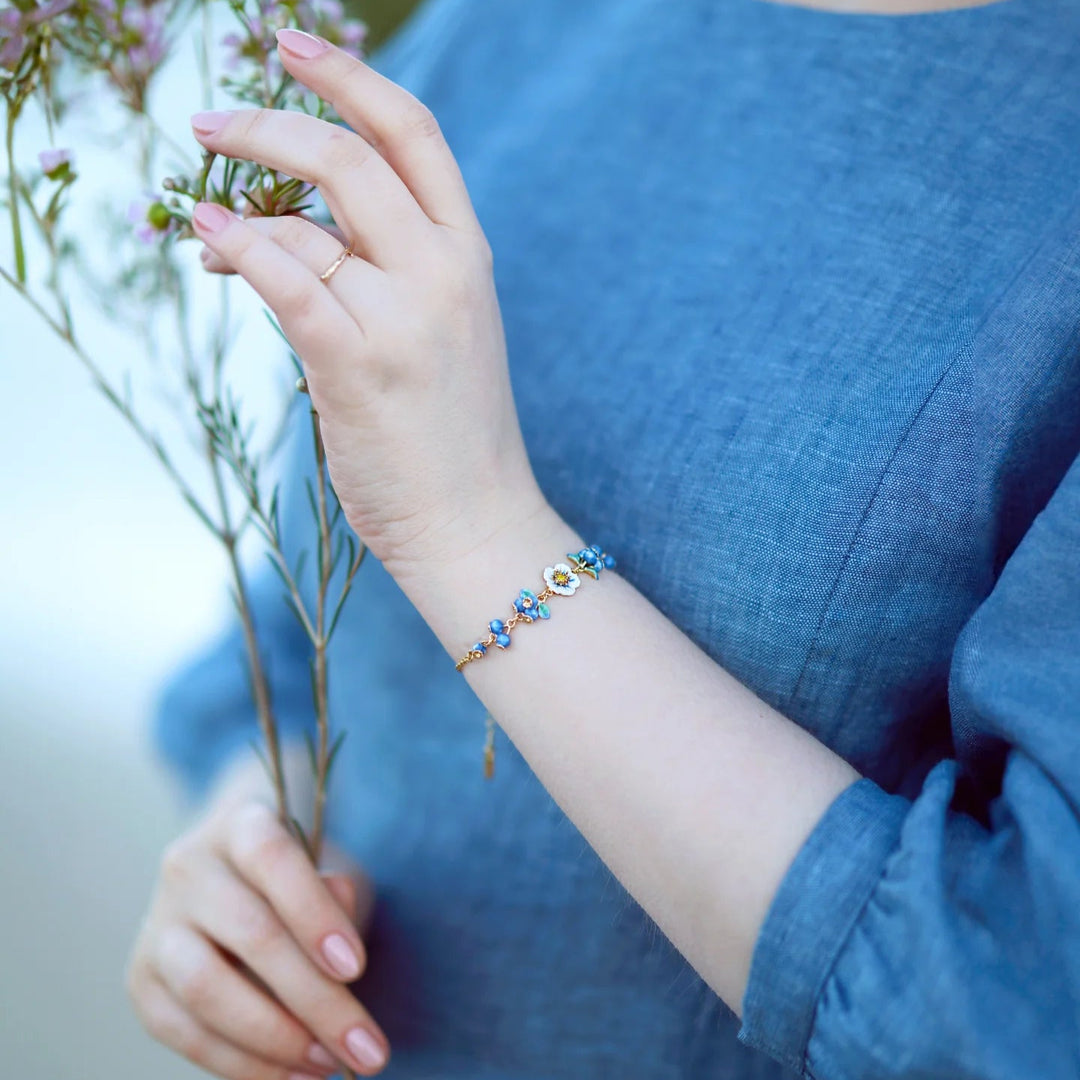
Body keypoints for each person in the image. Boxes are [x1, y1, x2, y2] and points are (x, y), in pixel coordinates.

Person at [124, 0, 1080, 1077]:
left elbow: (1011, 1000)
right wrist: (252, 847)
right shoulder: (500, 30)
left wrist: (474, 529)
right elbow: (303, 602)